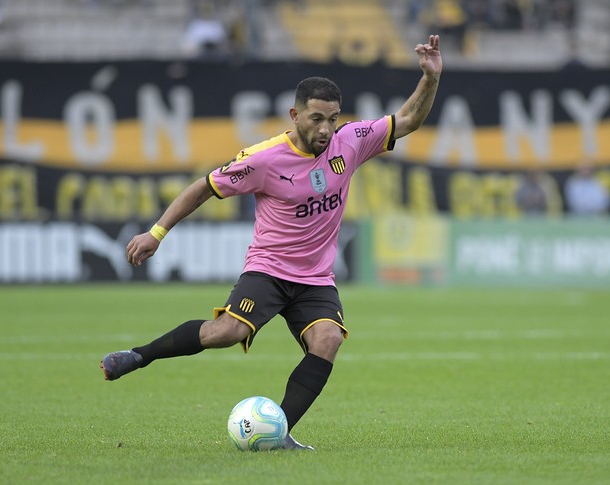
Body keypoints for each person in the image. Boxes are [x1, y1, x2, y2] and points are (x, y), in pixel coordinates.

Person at [100, 35, 443, 450]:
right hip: (268, 269)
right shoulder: (262, 159)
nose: (326, 128)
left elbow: (408, 120)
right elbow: (204, 187)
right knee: (225, 332)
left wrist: (430, 78)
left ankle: (279, 434)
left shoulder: (349, 141)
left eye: (333, 118)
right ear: (295, 114)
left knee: (328, 340)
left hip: (316, 277)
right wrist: (156, 233)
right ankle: (141, 355)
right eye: (317, 118)